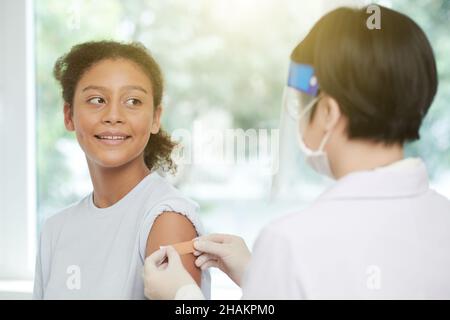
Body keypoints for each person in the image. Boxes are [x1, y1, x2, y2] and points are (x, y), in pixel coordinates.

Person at [143, 5, 450, 299]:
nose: (298, 116)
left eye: (301, 103)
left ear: (328, 111)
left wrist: (182, 296)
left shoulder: (291, 242)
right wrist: (259, 275)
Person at [33, 41, 210, 299]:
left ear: (155, 119)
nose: (113, 115)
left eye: (133, 101)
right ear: (69, 115)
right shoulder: (55, 230)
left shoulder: (167, 219)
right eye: (96, 100)